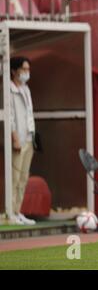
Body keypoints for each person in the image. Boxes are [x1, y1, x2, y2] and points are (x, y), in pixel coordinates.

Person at [9, 56, 36, 225]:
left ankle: (18, 211)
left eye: (28, 69)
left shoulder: (26, 89)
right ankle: (10, 212)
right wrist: (15, 138)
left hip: (28, 138)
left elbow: (29, 114)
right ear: (14, 71)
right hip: (18, 139)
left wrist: (33, 136)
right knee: (14, 177)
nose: (26, 73)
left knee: (24, 177)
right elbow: (10, 116)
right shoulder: (8, 89)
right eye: (23, 69)